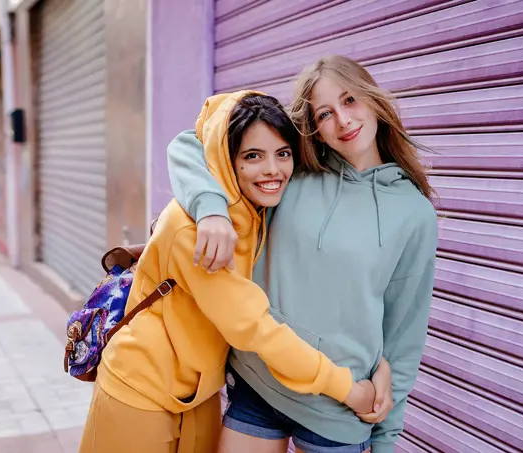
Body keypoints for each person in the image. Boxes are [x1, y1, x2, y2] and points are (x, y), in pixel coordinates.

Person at [79, 91, 382, 453]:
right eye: (253, 156)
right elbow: (255, 328)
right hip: (138, 387)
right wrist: (347, 388)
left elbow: (194, 139)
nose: (272, 169)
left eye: (282, 154)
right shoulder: (195, 232)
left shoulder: (257, 209)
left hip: (198, 393)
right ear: (227, 158)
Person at [166, 55, 438, 453]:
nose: (343, 121)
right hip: (259, 385)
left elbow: (404, 333)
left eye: (350, 101)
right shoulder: (291, 171)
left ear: (373, 100)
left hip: (339, 408)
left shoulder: (414, 213)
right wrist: (211, 208)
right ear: (314, 127)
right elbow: (190, 142)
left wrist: (385, 439)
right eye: (325, 113)